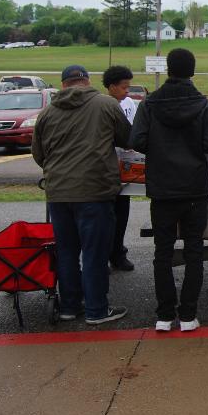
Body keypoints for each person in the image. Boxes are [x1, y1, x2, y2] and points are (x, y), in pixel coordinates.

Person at [131, 48, 208, 333]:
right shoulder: (203, 105)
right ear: (192, 71)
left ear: (168, 69)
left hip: (162, 189)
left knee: (163, 252)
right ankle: (187, 316)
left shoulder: (149, 104)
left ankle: (163, 315)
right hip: (194, 188)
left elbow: (137, 140)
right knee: (194, 251)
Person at [32, 65, 131, 325]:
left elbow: (38, 154)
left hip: (58, 193)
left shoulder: (47, 112)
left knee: (66, 252)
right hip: (94, 190)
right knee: (94, 253)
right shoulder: (106, 105)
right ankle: (97, 310)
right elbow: (128, 138)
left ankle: (69, 306)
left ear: (63, 84)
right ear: (87, 81)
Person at [103, 65, 138, 271]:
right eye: (124, 87)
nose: (127, 92)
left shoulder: (129, 103)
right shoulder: (101, 106)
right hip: (105, 169)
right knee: (105, 216)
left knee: (122, 212)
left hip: (124, 167)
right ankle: (103, 254)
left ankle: (118, 252)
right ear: (111, 87)